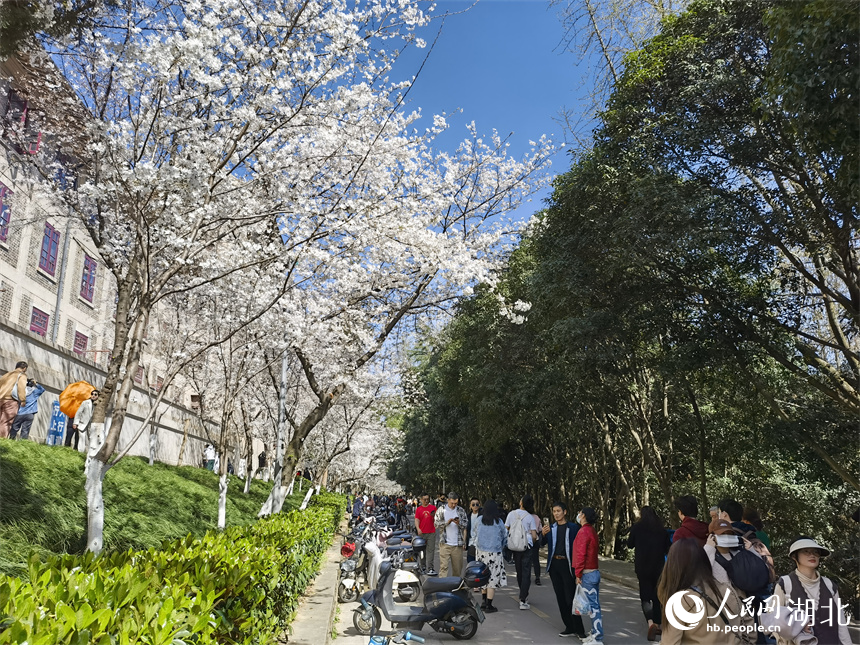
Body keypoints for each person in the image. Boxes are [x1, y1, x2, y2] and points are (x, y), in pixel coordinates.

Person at [657, 538, 755, 644]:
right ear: (704, 561)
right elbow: (750, 629)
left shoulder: (681, 601)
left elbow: (670, 642)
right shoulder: (729, 590)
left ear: (672, 567)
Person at [773, 537, 853, 645]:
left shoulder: (829, 585)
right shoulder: (786, 583)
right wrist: (796, 626)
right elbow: (773, 620)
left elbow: (841, 622)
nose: (812, 555)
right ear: (794, 556)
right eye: (806, 551)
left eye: (816, 552)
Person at [541, 501, 586, 638]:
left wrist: (580, 568)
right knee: (560, 597)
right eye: (554, 511)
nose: (556, 514)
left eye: (558, 511)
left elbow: (580, 547)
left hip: (568, 566)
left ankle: (580, 630)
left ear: (565, 512)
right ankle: (569, 626)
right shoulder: (551, 528)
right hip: (554, 565)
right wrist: (542, 534)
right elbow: (540, 544)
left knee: (571, 598)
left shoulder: (573, 528)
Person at [627, 506, 671, 641]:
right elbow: (667, 548)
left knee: (645, 596)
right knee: (658, 595)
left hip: (642, 567)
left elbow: (629, 545)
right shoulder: (662, 530)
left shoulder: (637, 528)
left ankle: (651, 623)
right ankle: (658, 623)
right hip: (658, 567)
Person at [472, 499, 507, 614]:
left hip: (481, 553)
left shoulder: (478, 520)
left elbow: (474, 534)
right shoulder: (499, 522)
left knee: (483, 576)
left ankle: (483, 602)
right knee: (492, 578)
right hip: (495, 553)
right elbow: (504, 537)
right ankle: (489, 604)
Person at [573, 507, 603, 644]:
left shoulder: (583, 531)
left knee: (593, 607)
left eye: (580, 513)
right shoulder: (592, 531)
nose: (578, 515)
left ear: (583, 515)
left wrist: (577, 574)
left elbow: (581, 554)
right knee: (594, 606)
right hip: (594, 572)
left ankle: (597, 637)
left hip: (587, 573)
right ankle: (595, 632)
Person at [505, 494, 539, 610]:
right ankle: (523, 598)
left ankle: (522, 594)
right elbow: (534, 535)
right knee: (526, 573)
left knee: (519, 572)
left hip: (515, 547)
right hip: (526, 546)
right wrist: (532, 542)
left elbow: (507, 529)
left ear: (521, 503)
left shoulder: (511, 514)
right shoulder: (530, 517)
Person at [434, 492, 468, 578]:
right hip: (445, 543)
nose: (453, 505)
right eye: (452, 503)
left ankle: (455, 587)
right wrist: (447, 522)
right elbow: (436, 524)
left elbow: (466, 524)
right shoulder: (441, 510)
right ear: (448, 500)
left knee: (457, 569)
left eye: (456, 503)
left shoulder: (460, 510)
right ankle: (443, 587)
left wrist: (459, 523)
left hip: (457, 544)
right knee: (443, 567)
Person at [0, 361, 28, 438]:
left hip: (1, 398)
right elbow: (21, 387)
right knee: (6, 422)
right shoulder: (22, 375)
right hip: (11, 400)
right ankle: (2, 442)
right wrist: (23, 400)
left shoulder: (6, 375)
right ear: (24, 368)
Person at [415, 494, 438, 573]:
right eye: (424, 499)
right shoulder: (418, 509)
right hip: (422, 533)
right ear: (421, 500)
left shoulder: (433, 508)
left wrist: (434, 516)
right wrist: (418, 529)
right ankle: (423, 566)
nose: (426, 501)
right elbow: (417, 520)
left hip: (431, 532)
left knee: (430, 550)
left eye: (427, 499)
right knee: (422, 551)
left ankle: (430, 567)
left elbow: (438, 518)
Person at [529, 505, 543, 586]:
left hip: (527, 540)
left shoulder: (524, 517)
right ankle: (537, 578)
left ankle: (526, 577)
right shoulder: (537, 517)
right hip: (536, 540)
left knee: (526, 559)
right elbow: (540, 529)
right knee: (536, 560)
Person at [466, 498, 481, 563]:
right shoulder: (468, 516)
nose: (475, 506)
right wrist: (464, 542)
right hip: (471, 543)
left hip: (480, 544)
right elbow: (465, 529)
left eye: (477, 504)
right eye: (473, 504)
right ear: (470, 506)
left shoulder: (482, 516)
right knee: (471, 563)